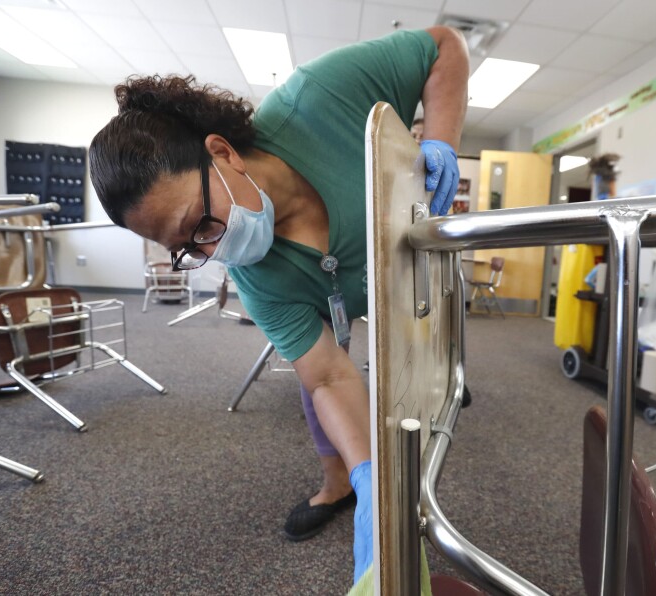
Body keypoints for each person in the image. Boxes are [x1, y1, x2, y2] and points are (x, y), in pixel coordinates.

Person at [89, 26, 468, 585]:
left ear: (221, 153)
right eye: (187, 250)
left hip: (402, 269)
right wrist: (373, 483)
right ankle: (343, 483)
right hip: (326, 300)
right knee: (321, 378)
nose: (213, 250)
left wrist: (441, 141)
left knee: (419, 372)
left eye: (201, 223)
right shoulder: (259, 279)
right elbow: (328, 379)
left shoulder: (321, 96)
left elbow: (444, 46)